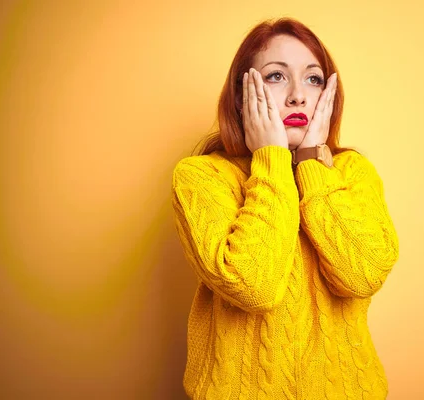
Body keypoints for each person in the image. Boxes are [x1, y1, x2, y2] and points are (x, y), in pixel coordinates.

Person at [171, 16, 399, 400]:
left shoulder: (352, 173)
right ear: (242, 96)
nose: (298, 96)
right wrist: (273, 159)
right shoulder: (201, 177)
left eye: (313, 79)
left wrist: (311, 163)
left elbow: (362, 277)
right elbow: (253, 286)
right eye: (276, 76)